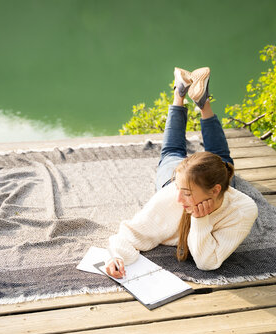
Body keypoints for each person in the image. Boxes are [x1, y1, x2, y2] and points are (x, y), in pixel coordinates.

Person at [105, 66, 258, 279]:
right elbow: (127, 235)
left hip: (191, 180)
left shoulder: (244, 209)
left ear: (215, 190)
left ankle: (181, 93)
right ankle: (196, 100)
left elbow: (207, 262)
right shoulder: (171, 195)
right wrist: (116, 258)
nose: (179, 198)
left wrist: (200, 218)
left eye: (186, 193)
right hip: (173, 177)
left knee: (186, 153)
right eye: (180, 190)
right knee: (208, 157)